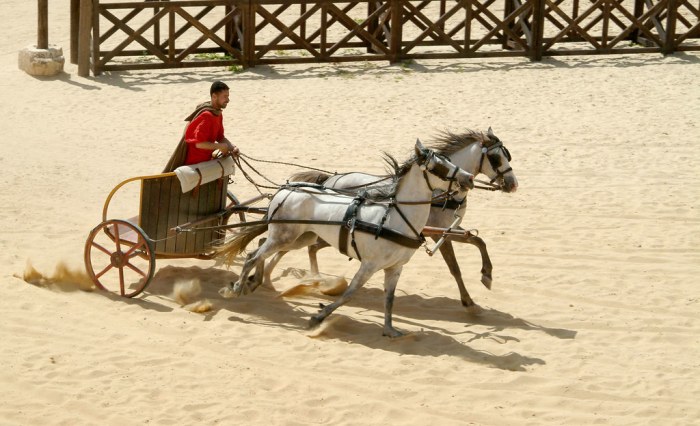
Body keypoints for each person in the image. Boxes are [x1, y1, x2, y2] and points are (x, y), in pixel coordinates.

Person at [162, 81, 239, 172]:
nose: (228, 100)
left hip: (206, 159)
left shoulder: (217, 113)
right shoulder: (206, 116)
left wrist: (232, 147)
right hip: (195, 162)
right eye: (225, 97)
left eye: (228, 96)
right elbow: (199, 144)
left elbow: (220, 137)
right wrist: (220, 146)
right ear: (214, 96)